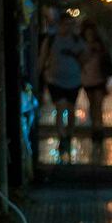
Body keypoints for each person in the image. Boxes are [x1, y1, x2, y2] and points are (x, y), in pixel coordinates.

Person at [38, 15, 85, 159]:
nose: (67, 27)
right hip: (55, 80)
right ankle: (62, 136)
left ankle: (69, 135)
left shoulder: (77, 41)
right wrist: (38, 75)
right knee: (60, 107)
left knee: (71, 109)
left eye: (70, 24)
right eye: (65, 24)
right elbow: (42, 58)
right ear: (59, 25)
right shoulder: (51, 40)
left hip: (74, 81)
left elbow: (85, 57)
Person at [80, 21, 112, 144]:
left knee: (98, 104)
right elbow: (81, 59)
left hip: (99, 78)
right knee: (92, 103)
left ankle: (99, 127)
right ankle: (95, 126)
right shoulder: (81, 45)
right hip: (87, 78)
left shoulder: (100, 45)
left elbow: (106, 58)